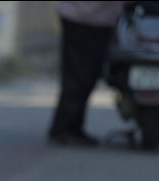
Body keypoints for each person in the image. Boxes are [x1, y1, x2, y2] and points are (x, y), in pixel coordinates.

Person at [48, 1, 125, 146]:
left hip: (88, 16)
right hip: (85, 17)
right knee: (80, 76)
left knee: (83, 75)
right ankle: (64, 129)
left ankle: (72, 128)